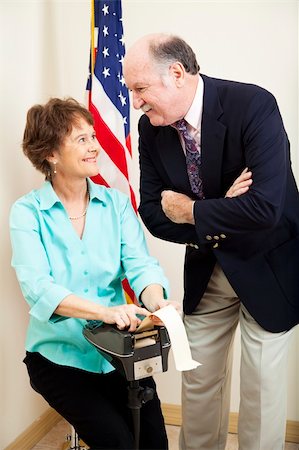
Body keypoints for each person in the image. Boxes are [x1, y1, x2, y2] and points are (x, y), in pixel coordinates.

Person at [123, 33, 299, 450]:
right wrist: (222, 209)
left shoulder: (254, 105)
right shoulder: (151, 130)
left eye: (140, 88)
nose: (135, 102)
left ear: (177, 74)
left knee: (261, 393)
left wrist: (192, 211)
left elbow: (266, 209)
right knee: (197, 384)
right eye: (131, 90)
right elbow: (152, 213)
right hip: (208, 270)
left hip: (268, 267)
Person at [9, 97, 181, 450]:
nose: (94, 146)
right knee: (117, 442)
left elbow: (140, 265)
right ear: (51, 154)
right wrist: (105, 312)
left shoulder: (115, 204)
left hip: (120, 352)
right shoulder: (27, 213)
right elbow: (38, 288)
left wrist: (157, 300)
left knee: (155, 442)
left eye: (93, 136)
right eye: (81, 139)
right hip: (58, 358)